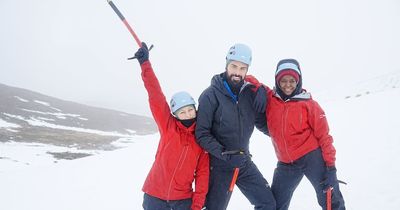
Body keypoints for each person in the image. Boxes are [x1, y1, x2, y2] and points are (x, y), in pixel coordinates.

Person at [248, 58, 346, 210]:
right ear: (277, 81)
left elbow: (325, 137)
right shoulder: (271, 98)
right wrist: (260, 88)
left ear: (298, 81)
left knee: (329, 198)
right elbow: (248, 78)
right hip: (286, 163)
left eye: (292, 80)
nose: (288, 85)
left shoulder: (309, 105)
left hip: (311, 158)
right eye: (283, 80)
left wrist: (331, 169)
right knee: (275, 204)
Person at [195, 43, 276, 210]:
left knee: (267, 203)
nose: (237, 72)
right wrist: (225, 155)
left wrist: (284, 136)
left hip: (244, 161)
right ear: (226, 64)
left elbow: (261, 123)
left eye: (242, 68)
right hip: (219, 165)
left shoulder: (250, 94)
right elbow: (202, 134)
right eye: (234, 66)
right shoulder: (210, 95)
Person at [134, 42, 209, 210]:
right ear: (175, 115)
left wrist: (197, 205)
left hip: (182, 201)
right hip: (154, 196)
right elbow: (155, 95)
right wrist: (145, 64)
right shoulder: (168, 126)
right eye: (182, 112)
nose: (188, 115)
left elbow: (203, 174)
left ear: (196, 109)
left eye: (190, 110)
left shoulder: (202, 138)